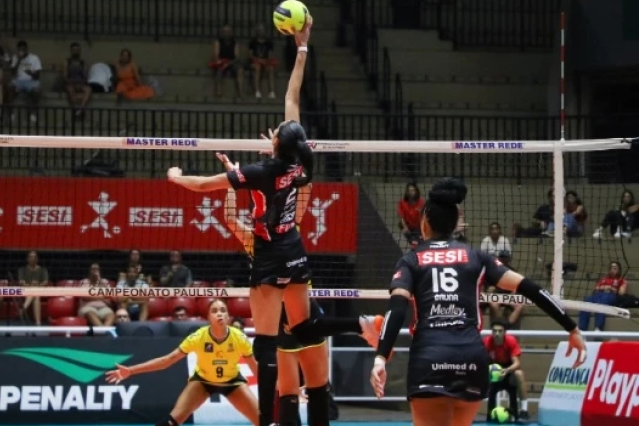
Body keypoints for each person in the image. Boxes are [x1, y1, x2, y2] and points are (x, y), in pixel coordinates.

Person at [167, 17, 368, 426]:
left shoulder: (262, 171)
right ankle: (360, 323)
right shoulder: (301, 164)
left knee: (267, 343)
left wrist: (173, 177)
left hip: (268, 254)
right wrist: (303, 48)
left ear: (277, 142)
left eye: (277, 131)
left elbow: (204, 185)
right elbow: (292, 102)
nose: (277, 126)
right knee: (307, 325)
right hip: (294, 249)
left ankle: (266, 420)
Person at [370, 178, 587, 426]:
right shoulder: (476, 256)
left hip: (430, 358)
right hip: (471, 360)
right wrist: (572, 327)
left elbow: (396, 310)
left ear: (424, 223)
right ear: (454, 225)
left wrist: (380, 357)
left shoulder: (411, 260)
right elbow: (532, 289)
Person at [221, 159, 380, 425]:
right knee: (303, 390)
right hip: (295, 312)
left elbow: (230, 218)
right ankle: (362, 324)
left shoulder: (265, 235)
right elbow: (304, 187)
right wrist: (287, 159)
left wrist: (232, 178)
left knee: (298, 390)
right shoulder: (281, 230)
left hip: (282, 315)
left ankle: (362, 325)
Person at [105, 299, 259, 426]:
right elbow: (167, 361)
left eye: (223, 310)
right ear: (208, 318)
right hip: (203, 382)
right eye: (214, 311)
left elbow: (256, 370)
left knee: (264, 421)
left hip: (233, 382)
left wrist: (278, 384)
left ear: (228, 317)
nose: (219, 313)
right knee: (170, 423)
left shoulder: (239, 338)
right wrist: (131, 371)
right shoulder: (198, 337)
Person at [484, 320, 529, 423]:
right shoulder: (487, 342)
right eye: (494, 331)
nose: (497, 334)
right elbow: (481, 361)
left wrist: (506, 370)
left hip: (508, 372)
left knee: (519, 373)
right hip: (493, 374)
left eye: (500, 331)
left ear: (505, 332)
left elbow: (517, 363)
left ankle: (524, 411)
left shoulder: (510, 341)